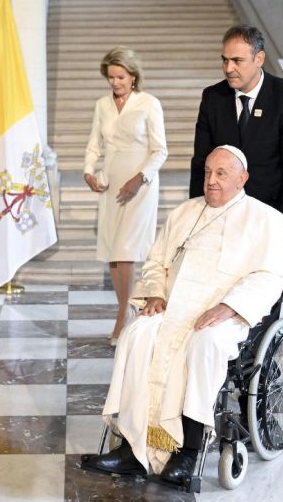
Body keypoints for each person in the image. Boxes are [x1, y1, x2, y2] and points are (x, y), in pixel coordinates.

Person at [81, 146, 283, 485]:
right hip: (172, 307)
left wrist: (230, 307)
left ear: (243, 179)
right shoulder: (184, 212)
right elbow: (155, 263)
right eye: (208, 172)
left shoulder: (267, 220)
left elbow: (270, 278)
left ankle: (188, 451)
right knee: (137, 334)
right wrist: (155, 293)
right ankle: (131, 448)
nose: (211, 181)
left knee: (205, 343)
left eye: (221, 174)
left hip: (227, 316)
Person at [189, 25, 283, 239]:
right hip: (222, 217)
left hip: (273, 215)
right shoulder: (213, 98)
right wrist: (199, 215)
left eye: (237, 61)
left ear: (259, 59)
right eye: (224, 60)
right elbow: (201, 162)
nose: (228, 68)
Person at [83, 46, 168, 344]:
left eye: (120, 77)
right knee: (113, 250)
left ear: (133, 76)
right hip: (111, 183)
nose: (115, 83)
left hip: (140, 184)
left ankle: (123, 314)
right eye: (111, 77)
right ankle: (125, 309)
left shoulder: (149, 104)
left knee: (128, 249)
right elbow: (94, 144)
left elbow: (160, 150)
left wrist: (138, 179)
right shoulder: (102, 105)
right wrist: (88, 171)